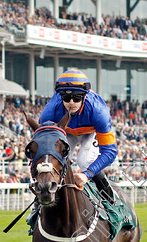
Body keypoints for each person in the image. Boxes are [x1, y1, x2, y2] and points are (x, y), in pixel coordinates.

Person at [38, 68, 117, 204]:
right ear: (60, 96)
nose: (71, 102)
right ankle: (40, 202)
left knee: (85, 161)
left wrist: (87, 175)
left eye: (77, 98)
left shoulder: (99, 112)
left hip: (90, 132)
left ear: (85, 96)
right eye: (66, 98)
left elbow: (110, 152)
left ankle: (110, 198)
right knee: (57, 159)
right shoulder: (49, 113)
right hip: (66, 131)